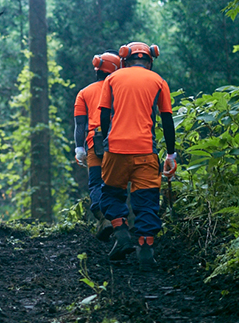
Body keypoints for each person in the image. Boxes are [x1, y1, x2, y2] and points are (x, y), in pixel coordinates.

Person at [95, 42, 178, 268]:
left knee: (111, 194)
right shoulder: (159, 81)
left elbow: (104, 115)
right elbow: (167, 120)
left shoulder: (112, 79)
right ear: (150, 60)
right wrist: (171, 153)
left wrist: (105, 142)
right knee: (147, 202)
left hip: (116, 149)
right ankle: (145, 248)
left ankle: (121, 233)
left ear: (124, 59)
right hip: (145, 150)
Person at [72, 51, 122, 242]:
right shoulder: (120, 89)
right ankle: (119, 222)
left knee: (96, 182)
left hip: (95, 143)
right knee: (115, 183)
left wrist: (79, 149)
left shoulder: (84, 93)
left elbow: (80, 125)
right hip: (118, 143)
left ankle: (103, 218)